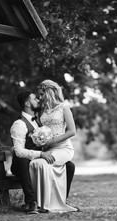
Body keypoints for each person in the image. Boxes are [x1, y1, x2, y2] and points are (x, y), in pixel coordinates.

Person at [10, 90, 75, 214]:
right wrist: (41, 154)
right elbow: (18, 152)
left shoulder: (39, 121)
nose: (38, 100)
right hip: (21, 164)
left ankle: (60, 201)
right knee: (24, 162)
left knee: (69, 166)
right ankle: (31, 202)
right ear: (28, 103)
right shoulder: (19, 124)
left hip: (38, 159)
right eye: (35, 99)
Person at [29, 79, 79, 212]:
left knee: (41, 164)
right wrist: (39, 138)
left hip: (63, 148)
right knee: (34, 164)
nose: (40, 97)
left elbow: (72, 131)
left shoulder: (64, 107)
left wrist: (53, 141)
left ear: (49, 92)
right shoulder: (42, 110)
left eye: (41, 94)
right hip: (48, 149)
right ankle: (36, 202)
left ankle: (49, 204)